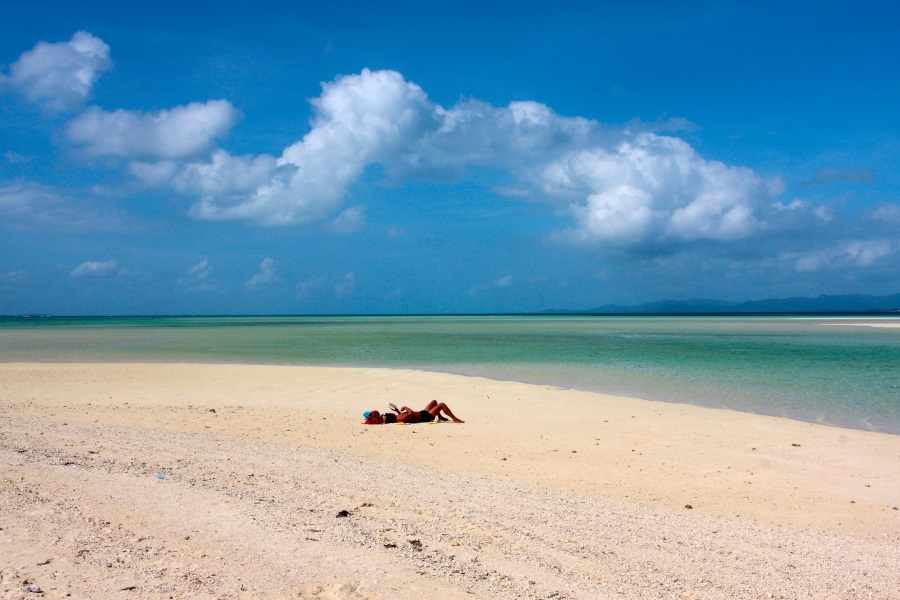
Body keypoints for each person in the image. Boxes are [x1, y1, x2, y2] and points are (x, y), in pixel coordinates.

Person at [389, 400, 464, 423]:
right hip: (426, 417)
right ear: (391, 416)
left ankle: (440, 417)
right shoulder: (399, 419)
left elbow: (404, 416)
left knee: (434, 401)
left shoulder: (398, 417)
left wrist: (397, 410)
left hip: (423, 413)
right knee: (442, 405)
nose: (391, 413)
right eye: (390, 414)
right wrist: (406, 407)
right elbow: (410, 414)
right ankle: (455, 419)